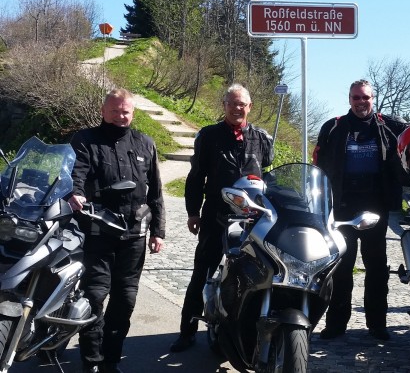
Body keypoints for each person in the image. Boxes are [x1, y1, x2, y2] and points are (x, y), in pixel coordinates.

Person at [170, 83, 274, 352]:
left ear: (250, 107)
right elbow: (196, 178)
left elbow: (269, 177)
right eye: (232, 103)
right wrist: (193, 212)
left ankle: (244, 328)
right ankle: (187, 331)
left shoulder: (262, 138)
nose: (237, 108)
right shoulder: (209, 135)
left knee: (254, 272)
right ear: (224, 105)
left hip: (253, 218)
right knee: (202, 271)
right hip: (217, 214)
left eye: (242, 104)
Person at [68, 88, 165, 373]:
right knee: (94, 296)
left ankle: (111, 360)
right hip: (97, 233)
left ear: (132, 113)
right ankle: (92, 361)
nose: (120, 116)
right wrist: (76, 192)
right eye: (115, 111)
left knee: (125, 300)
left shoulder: (145, 143)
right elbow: (76, 173)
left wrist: (158, 231)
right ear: (103, 111)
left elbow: (156, 192)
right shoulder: (85, 140)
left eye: (125, 111)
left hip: (134, 235)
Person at [312, 79, 408, 341]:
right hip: (342, 205)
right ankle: (336, 325)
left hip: (376, 204)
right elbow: (318, 164)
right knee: (342, 266)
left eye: (365, 97)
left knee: (376, 267)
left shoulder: (390, 126)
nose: (361, 102)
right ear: (349, 99)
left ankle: (377, 324)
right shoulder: (333, 127)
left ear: (372, 98)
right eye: (356, 98)